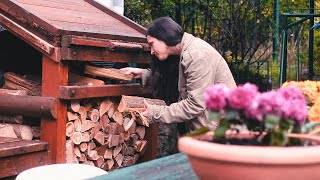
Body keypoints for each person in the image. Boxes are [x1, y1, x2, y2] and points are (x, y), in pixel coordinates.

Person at [121, 17, 236, 133]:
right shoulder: (184, 52)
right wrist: (144, 74)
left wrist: (154, 113)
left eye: (152, 44)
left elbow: (195, 105)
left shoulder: (196, 55)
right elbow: (176, 79)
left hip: (220, 134)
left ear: (163, 36)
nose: (151, 51)